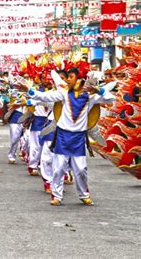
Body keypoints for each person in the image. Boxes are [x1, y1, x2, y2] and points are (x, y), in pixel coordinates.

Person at [16, 68, 115, 206]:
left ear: (80, 79)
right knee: (59, 168)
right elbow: (44, 97)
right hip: (63, 136)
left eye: (71, 77)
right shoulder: (63, 93)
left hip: (78, 138)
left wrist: (98, 90)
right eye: (67, 77)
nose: (68, 79)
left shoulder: (90, 97)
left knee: (81, 169)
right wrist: (28, 89)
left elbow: (111, 98)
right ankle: (56, 195)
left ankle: (84, 194)